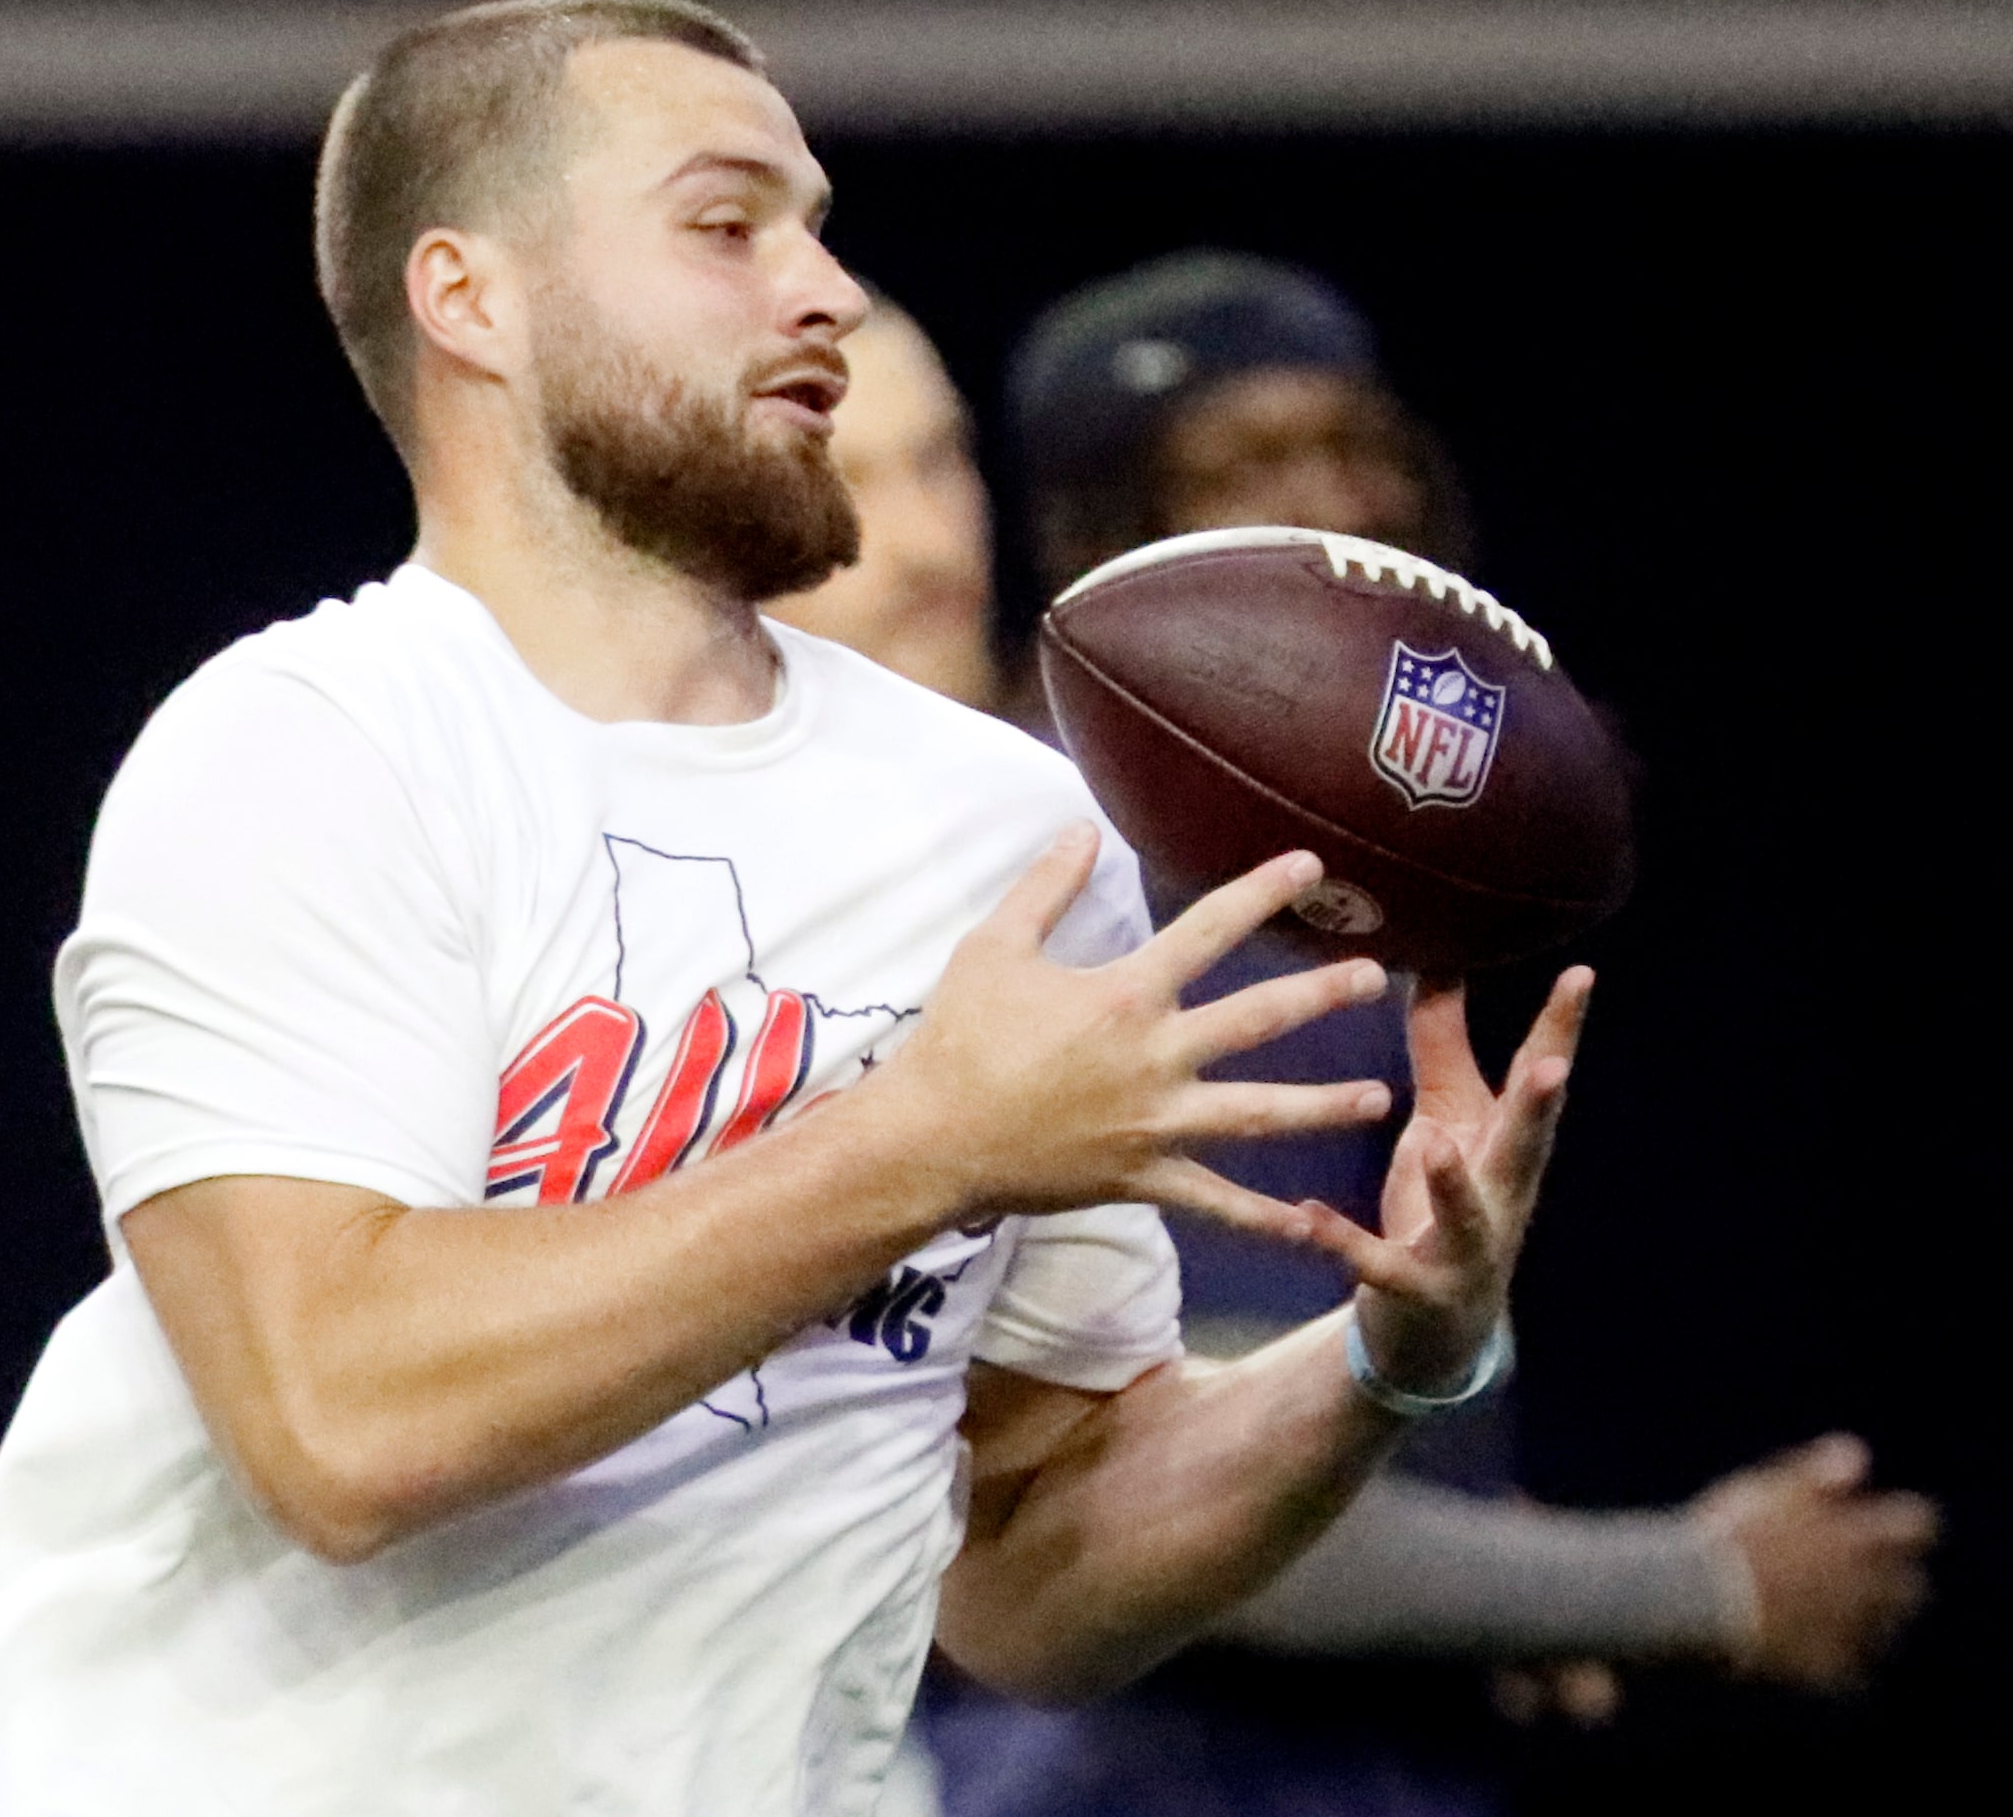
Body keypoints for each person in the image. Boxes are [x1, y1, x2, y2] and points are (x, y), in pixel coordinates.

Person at [0, 0, 1595, 1817]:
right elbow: (341, 1418)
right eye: (729, 227)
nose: (827, 293)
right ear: (471, 297)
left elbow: (1034, 1567)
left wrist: (1381, 1361)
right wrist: (926, 1141)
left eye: (816, 224)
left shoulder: (1008, 827)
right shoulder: (305, 749)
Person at [769, 265, 1936, 1817]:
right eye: (1245, 472)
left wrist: (1486, 1579)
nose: (1332, 513)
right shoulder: (1114, 908)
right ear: (1102, 551)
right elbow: (1158, 1474)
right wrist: (1692, 1580)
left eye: (1349, 445)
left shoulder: (1297, 898)